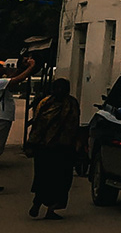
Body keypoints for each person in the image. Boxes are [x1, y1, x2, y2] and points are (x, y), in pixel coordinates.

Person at [24, 78, 83, 220]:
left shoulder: (47, 103)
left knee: (45, 178)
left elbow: (38, 126)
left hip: (52, 148)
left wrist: (31, 143)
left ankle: (40, 204)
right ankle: (47, 209)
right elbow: (40, 126)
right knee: (57, 180)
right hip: (57, 148)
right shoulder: (66, 103)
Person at [0, 57, 41, 158]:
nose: (3, 68)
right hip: (2, 116)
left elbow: (12, 78)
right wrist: (31, 67)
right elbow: (17, 79)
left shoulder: (2, 81)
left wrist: (22, 68)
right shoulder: (1, 82)